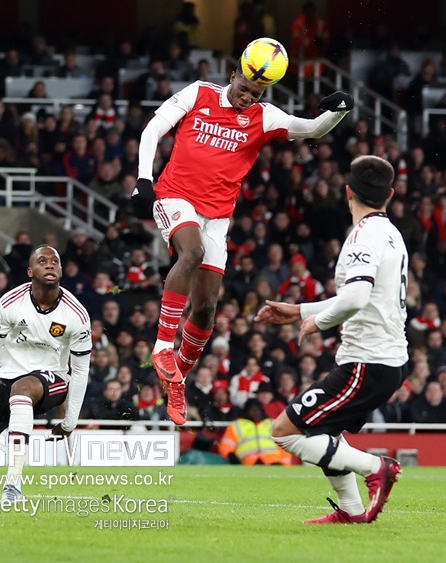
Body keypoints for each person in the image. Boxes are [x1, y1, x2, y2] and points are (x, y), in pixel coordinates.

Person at [132, 44, 353, 425]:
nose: (247, 96)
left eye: (256, 93)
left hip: (218, 217)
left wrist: (338, 110)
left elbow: (312, 128)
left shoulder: (263, 117)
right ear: (233, 75)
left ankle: (178, 378)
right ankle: (163, 346)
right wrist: (143, 180)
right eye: (244, 87)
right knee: (190, 253)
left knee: (206, 310)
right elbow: (153, 128)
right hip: (174, 196)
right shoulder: (198, 92)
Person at [255, 155, 407, 524]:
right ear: (389, 194)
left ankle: (376, 467)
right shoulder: (390, 232)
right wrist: (300, 310)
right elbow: (359, 295)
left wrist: (318, 322)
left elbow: (355, 298)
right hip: (381, 359)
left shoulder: (365, 234)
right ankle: (353, 512)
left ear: (347, 192)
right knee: (324, 431)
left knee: (285, 432)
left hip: (368, 362)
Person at [0, 246, 91, 501]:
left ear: (62, 270)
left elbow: (80, 369)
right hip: (7, 374)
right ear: (30, 270)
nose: (50, 264)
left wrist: (70, 421)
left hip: (51, 379)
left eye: (55, 261)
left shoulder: (76, 314)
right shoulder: (11, 302)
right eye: (42, 261)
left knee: (23, 388)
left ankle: (13, 485)